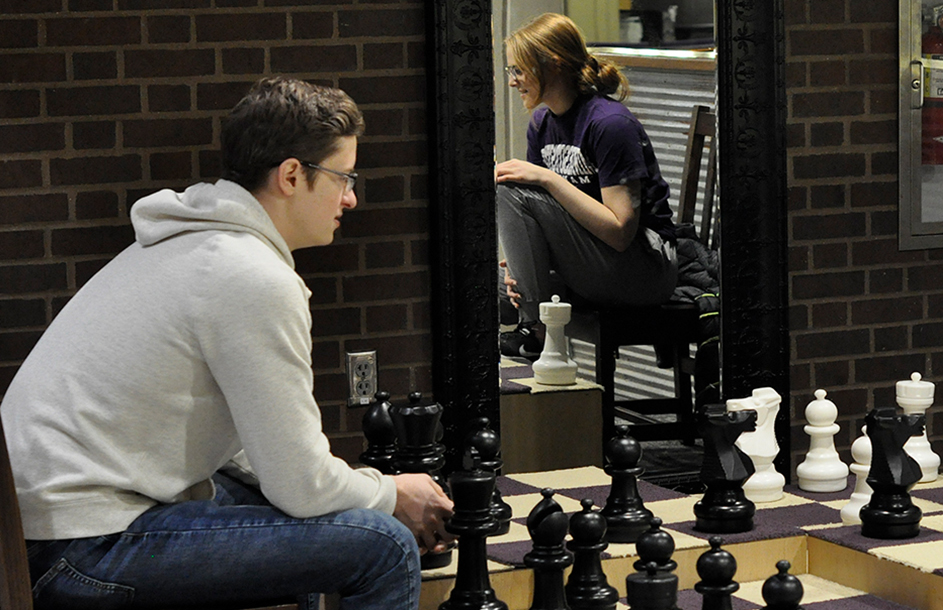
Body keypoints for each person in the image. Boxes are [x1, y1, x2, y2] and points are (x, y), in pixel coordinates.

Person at [1, 77, 453, 609]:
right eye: (343, 177)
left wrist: (356, 489)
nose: (350, 198)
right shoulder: (251, 275)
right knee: (384, 546)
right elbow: (302, 487)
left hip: (40, 531)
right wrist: (390, 492)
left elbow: (274, 469)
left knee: (313, 512)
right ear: (291, 175)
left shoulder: (192, 240)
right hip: (79, 550)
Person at [496, 12, 679, 359]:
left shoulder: (610, 125)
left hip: (643, 269)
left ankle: (534, 331)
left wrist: (549, 179)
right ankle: (530, 316)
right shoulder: (542, 123)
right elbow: (535, 217)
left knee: (509, 187)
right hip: (590, 264)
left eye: (518, 70)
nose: (512, 81)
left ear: (553, 65)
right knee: (476, 288)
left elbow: (621, 232)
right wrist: (517, 267)